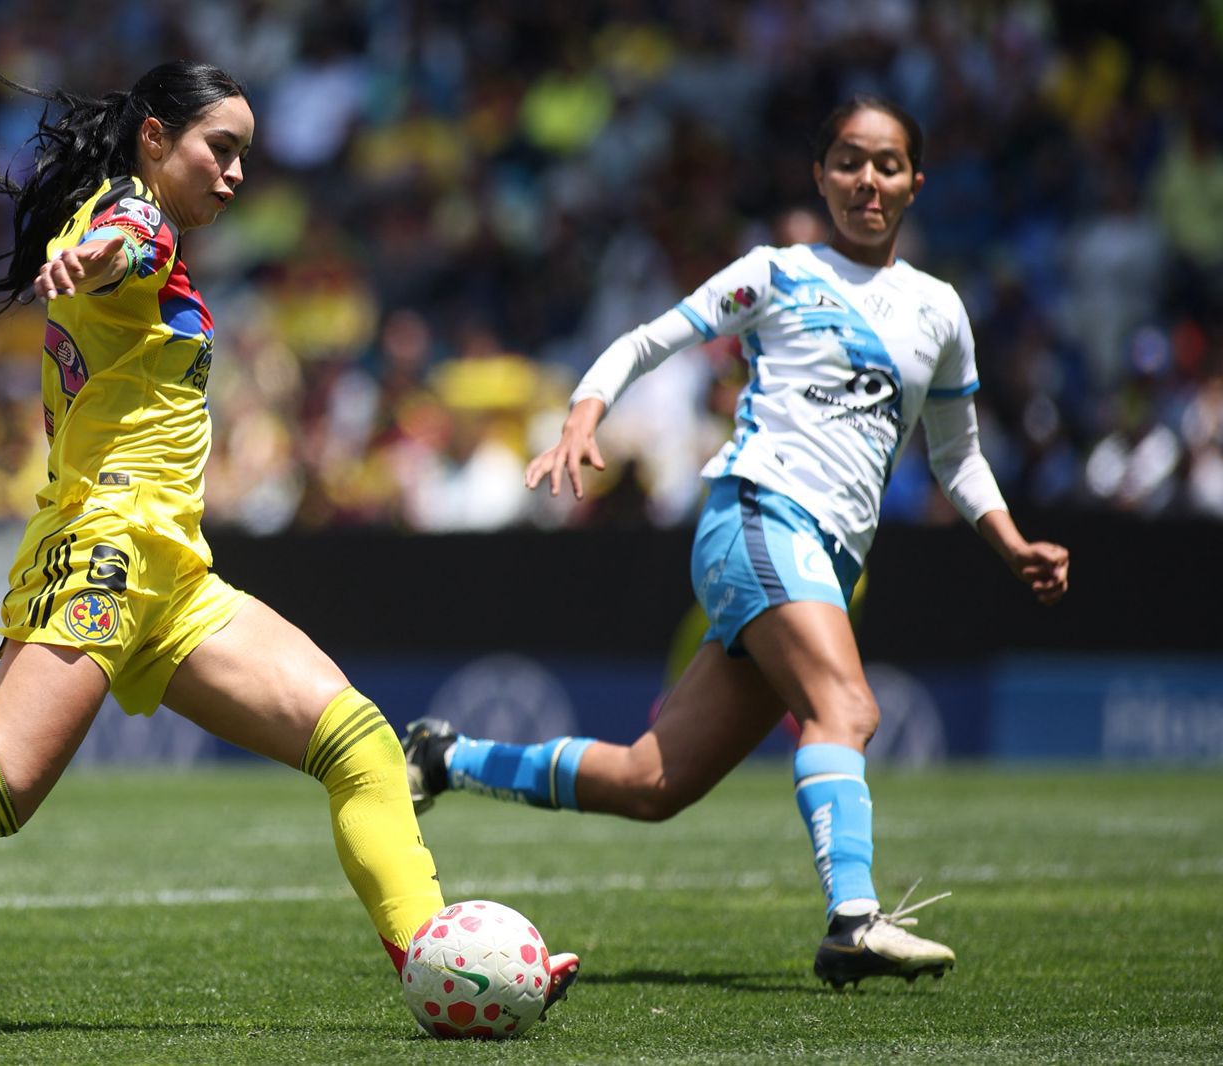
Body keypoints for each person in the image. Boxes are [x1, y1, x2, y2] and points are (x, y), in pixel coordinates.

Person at [0, 60, 577, 1018]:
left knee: (360, 745)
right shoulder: (133, 218)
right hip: (107, 546)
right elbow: (128, 240)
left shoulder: (138, 221)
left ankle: (437, 964)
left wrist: (99, 251)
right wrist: (99, 252)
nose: (236, 175)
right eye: (220, 149)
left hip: (174, 568)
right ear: (154, 139)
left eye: (245, 156)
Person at [405, 96, 1070, 990]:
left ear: (916, 181)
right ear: (820, 175)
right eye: (846, 161)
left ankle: (445, 757)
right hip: (758, 514)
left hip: (824, 554)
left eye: (885, 164)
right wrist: (581, 416)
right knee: (849, 710)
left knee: (652, 783)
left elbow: (959, 459)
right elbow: (651, 339)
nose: (865, 180)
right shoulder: (778, 273)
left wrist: (1013, 542)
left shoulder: (939, 313)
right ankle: (853, 921)